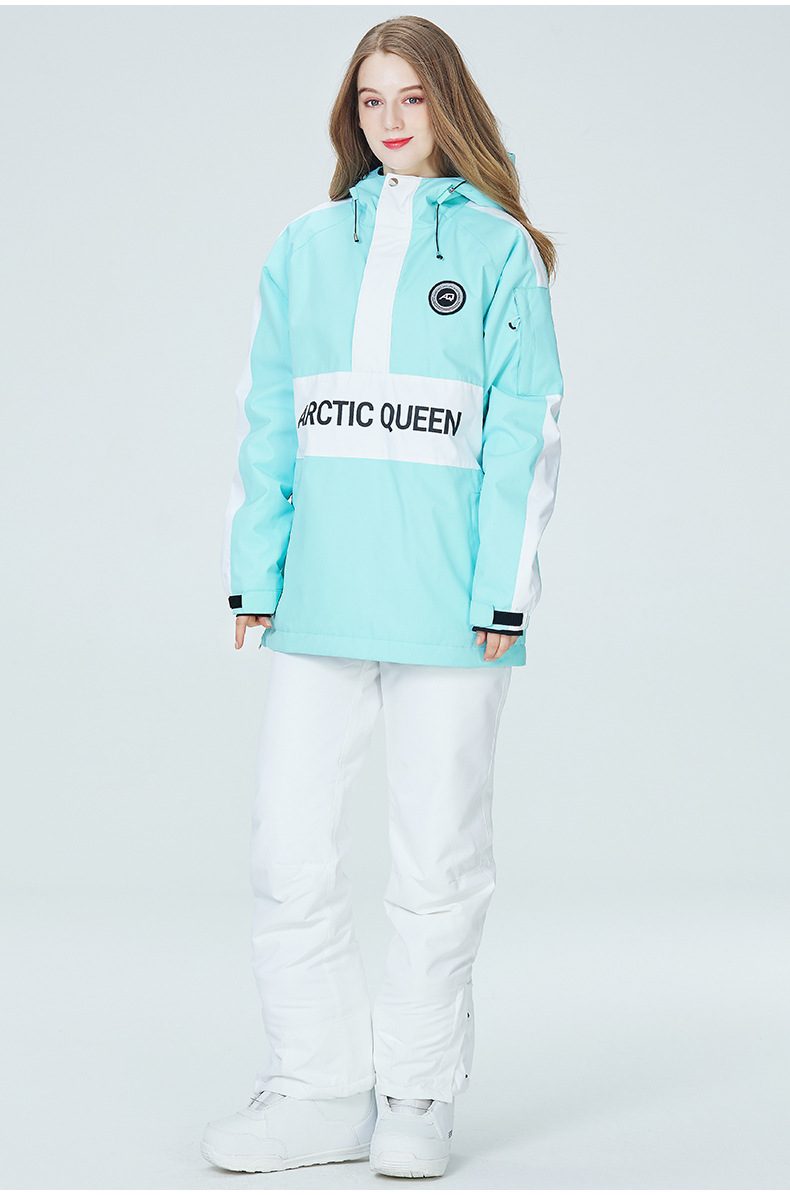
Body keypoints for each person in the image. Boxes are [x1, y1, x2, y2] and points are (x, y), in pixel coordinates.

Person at [202, 14, 564, 1181]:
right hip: (319, 599)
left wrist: (502, 595)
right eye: (371, 100)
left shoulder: (499, 251)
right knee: (289, 849)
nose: (391, 120)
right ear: (349, 114)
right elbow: (269, 419)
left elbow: (523, 433)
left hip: (453, 615)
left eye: (411, 97)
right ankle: (316, 1088)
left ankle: (416, 1091)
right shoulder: (303, 247)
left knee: (436, 859)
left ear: (445, 103)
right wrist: (257, 570)